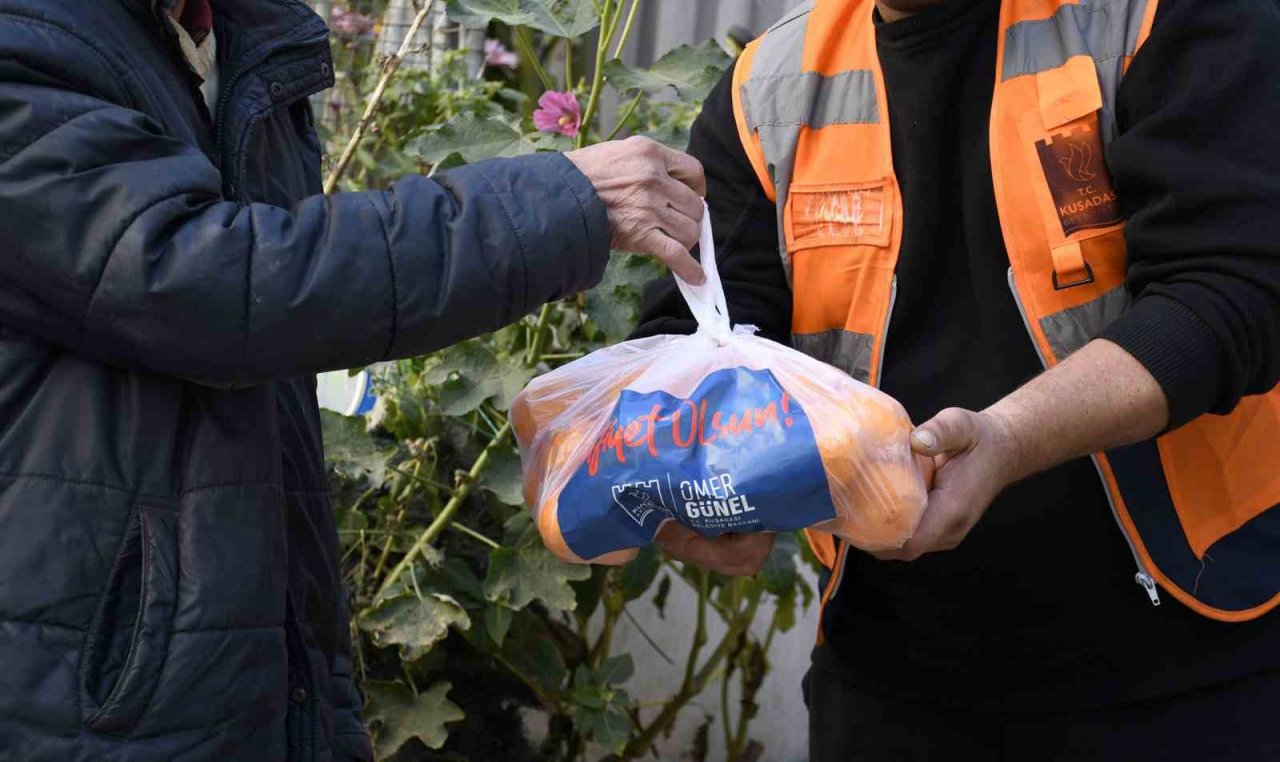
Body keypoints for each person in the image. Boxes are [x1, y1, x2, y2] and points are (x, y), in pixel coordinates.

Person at [0, 0, 709, 759]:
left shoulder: (239, 39)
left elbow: (276, 356)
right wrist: (563, 204)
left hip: (231, 658)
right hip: (79, 687)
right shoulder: (24, 41)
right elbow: (212, 281)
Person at [635, 0, 1280, 758]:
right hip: (886, 680)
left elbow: (1235, 293)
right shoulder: (771, 87)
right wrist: (690, 477)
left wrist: (1007, 439)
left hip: (1193, 669)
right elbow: (697, 338)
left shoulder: (1162, 18)